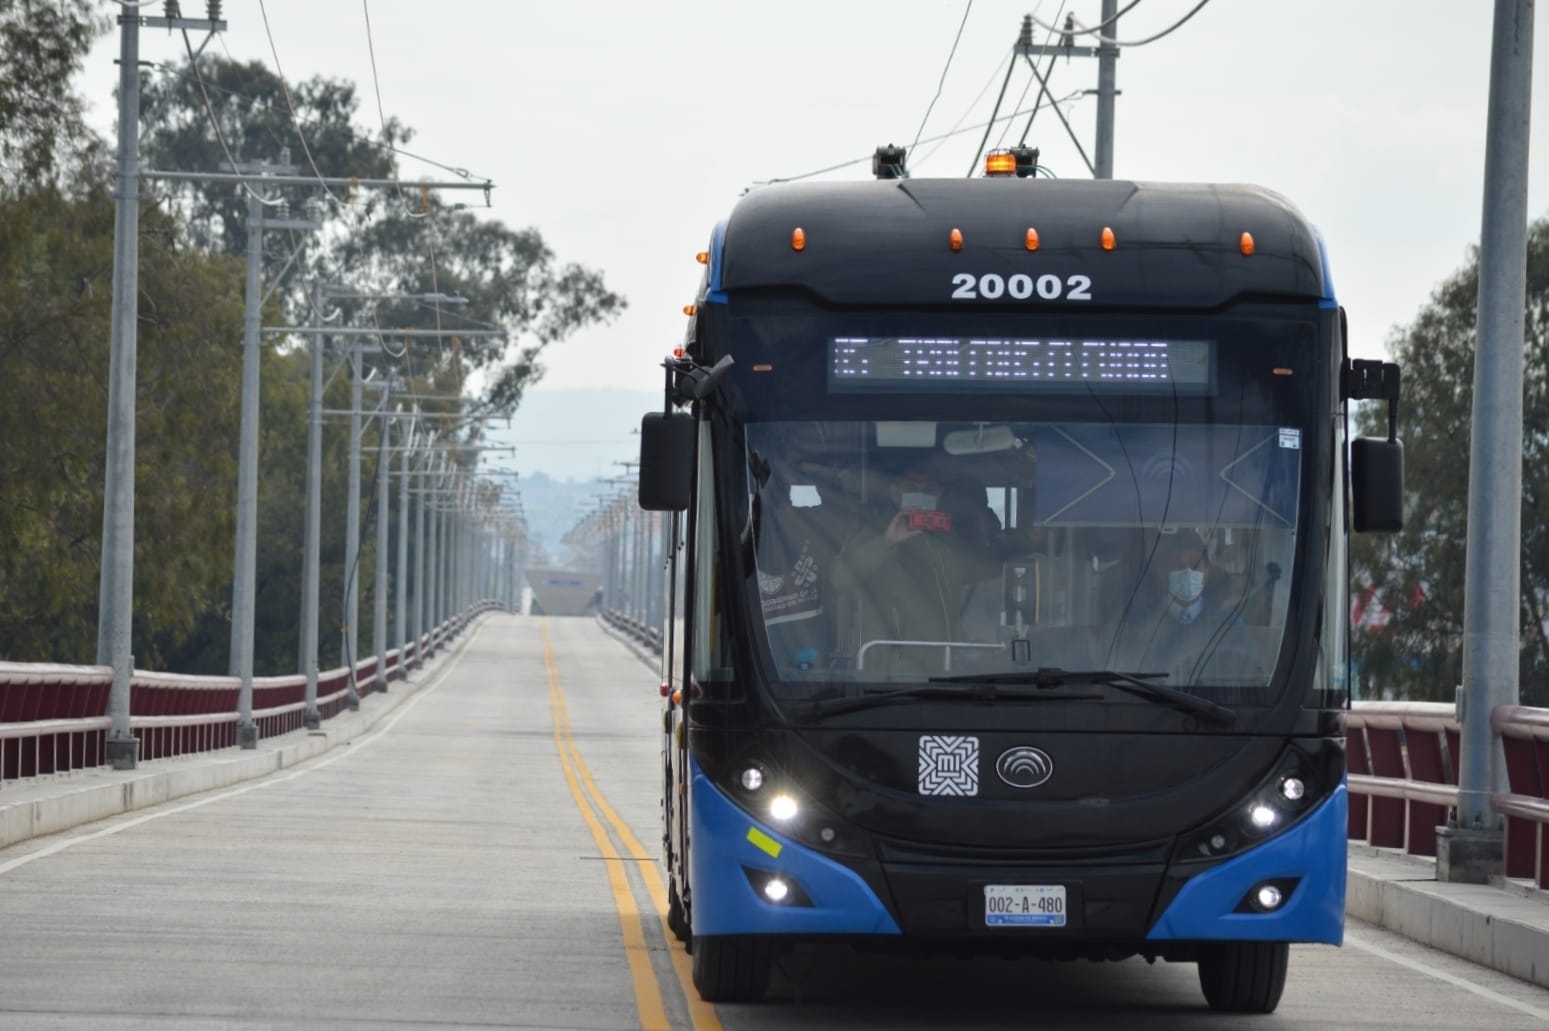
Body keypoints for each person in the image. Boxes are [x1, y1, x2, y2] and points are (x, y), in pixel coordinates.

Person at [830, 467, 1004, 671]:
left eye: (928, 489)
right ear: (896, 493)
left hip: (945, 668)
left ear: (939, 495)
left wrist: (965, 646)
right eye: (912, 488)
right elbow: (838, 578)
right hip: (891, 676)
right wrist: (887, 541)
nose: (920, 496)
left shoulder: (947, 540)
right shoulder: (876, 532)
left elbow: (981, 572)